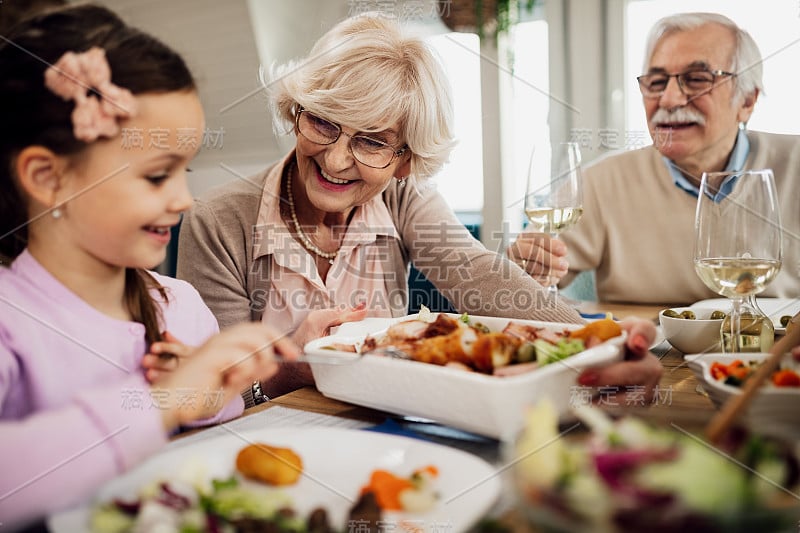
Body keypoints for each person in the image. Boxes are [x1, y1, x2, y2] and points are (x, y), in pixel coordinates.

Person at [177, 13, 661, 400]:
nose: (336, 158)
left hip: (389, 428)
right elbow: (211, 391)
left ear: (404, 161)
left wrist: (599, 347)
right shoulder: (218, 220)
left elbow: (475, 273)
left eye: (371, 142)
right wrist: (289, 372)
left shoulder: (403, 197)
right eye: (324, 123)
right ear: (296, 111)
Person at [0, 5, 299, 528]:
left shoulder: (179, 305)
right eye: (158, 176)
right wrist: (157, 401)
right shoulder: (11, 320)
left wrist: (203, 396)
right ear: (47, 177)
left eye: (187, 170)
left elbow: (216, 424)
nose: (185, 199)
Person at [508, 12, 800, 305]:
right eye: (657, 82)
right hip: (644, 348)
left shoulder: (795, 164)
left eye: (697, 79)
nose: (670, 99)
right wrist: (524, 268)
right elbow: (524, 279)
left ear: (747, 100)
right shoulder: (601, 181)